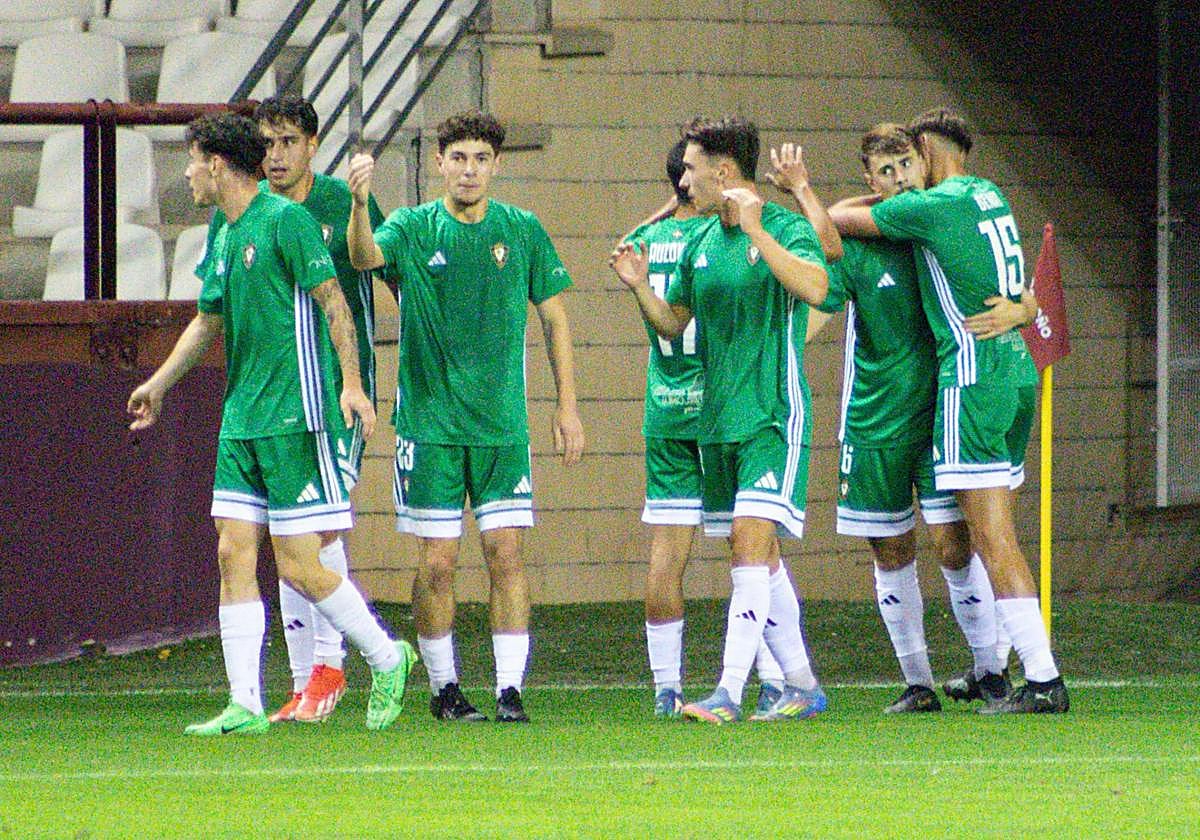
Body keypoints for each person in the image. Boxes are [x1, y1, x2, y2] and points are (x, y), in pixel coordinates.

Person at [128, 112, 417, 735]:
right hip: (243, 419)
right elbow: (208, 320)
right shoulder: (224, 233)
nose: (185, 173)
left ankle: (387, 656)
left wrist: (352, 384)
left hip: (298, 414)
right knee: (232, 551)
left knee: (298, 564)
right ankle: (245, 704)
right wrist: (158, 384)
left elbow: (335, 304)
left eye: (191, 160)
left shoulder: (287, 220)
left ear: (215, 165)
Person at [346, 110, 585, 723]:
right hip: (430, 427)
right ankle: (444, 689)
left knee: (506, 553)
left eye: (481, 159)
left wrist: (567, 408)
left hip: (504, 427)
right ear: (440, 163)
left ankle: (509, 691)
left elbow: (555, 317)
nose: (469, 170)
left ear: (496, 165)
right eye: (458, 158)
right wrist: (360, 201)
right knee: (438, 562)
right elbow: (365, 255)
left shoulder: (522, 230)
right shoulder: (413, 226)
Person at [829, 107, 1068, 713]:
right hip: (1016, 372)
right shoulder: (989, 195)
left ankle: (1042, 679)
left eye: (911, 159)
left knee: (992, 538)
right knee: (982, 537)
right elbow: (1025, 293)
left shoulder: (932, 205)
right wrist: (1022, 310)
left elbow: (835, 220)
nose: (906, 174)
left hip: (972, 380)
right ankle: (998, 669)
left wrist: (834, 192)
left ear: (931, 151)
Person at [784, 124, 1028, 712]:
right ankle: (917, 681)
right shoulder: (860, 240)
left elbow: (1001, 279)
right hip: (874, 421)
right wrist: (783, 358)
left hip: (940, 413)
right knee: (890, 549)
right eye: (884, 172)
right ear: (870, 180)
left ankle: (989, 669)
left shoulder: (937, 229)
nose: (896, 180)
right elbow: (824, 287)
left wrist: (1022, 308)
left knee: (955, 545)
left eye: (904, 167)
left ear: (921, 166)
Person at [612, 116, 829, 724]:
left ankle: (729, 692)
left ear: (724, 172)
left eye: (690, 167)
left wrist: (759, 230)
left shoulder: (783, 227)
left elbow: (818, 286)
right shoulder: (703, 243)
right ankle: (804, 685)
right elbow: (674, 323)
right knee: (756, 553)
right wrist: (638, 288)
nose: (682, 180)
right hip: (717, 423)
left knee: (750, 549)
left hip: (772, 416)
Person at [196, 96, 389, 724]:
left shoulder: (328, 205)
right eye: (266, 142)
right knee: (255, 547)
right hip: (257, 406)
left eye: (287, 141)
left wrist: (361, 206)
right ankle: (289, 685)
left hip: (325, 395)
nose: (275, 154)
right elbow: (211, 313)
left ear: (311, 144)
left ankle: (335, 667)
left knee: (314, 538)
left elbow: (373, 268)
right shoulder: (235, 220)